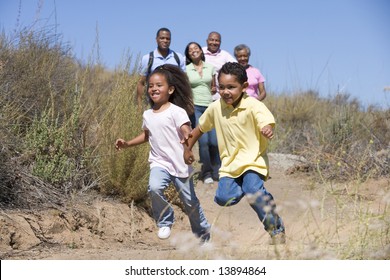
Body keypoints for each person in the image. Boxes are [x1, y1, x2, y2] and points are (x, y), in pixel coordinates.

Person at [183, 62, 286, 244]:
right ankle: (249, 191)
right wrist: (187, 148)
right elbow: (199, 128)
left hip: (253, 161)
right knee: (223, 199)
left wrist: (267, 129)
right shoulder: (216, 107)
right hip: (230, 165)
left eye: (231, 87)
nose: (225, 92)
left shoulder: (253, 105)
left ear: (244, 87)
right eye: (222, 87)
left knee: (253, 190)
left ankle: (276, 230)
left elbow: (266, 121)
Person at [116, 64, 210, 242]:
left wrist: (187, 147)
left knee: (190, 203)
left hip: (180, 163)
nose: (154, 89)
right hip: (160, 162)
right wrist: (127, 143)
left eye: (159, 85)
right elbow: (147, 135)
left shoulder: (177, 111)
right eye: (151, 86)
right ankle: (165, 221)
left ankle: (203, 234)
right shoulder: (148, 114)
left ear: (171, 89)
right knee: (155, 187)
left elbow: (186, 131)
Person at [184, 41, 220, 184]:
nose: (194, 51)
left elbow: (213, 87)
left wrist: (214, 90)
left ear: (201, 50)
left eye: (196, 48)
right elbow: (185, 89)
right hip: (196, 107)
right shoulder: (186, 70)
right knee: (203, 142)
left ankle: (217, 168)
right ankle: (206, 173)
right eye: (190, 49)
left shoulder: (210, 67)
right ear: (188, 54)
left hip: (210, 106)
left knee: (214, 142)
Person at [136, 27, 186, 109]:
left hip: (175, 102)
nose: (165, 41)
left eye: (168, 39)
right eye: (162, 38)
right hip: (154, 103)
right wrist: (139, 105)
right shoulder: (148, 58)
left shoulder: (178, 57)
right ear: (156, 39)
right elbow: (141, 83)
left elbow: (184, 81)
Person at [202, 31, 236, 100]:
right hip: (200, 96)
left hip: (218, 96)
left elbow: (237, 67)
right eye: (211, 40)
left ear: (220, 42)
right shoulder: (200, 52)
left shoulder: (225, 55)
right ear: (207, 41)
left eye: (217, 41)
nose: (214, 43)